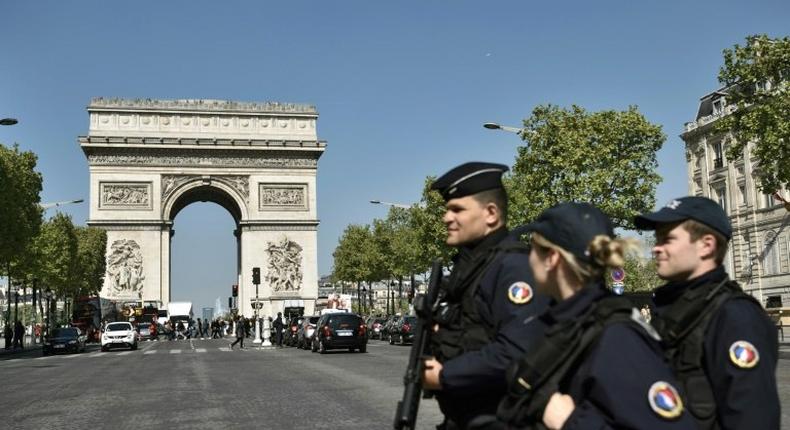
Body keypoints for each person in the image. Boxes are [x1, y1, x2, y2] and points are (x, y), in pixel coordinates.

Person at [495, 202, 696, 429]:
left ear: (552, 258)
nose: (527, 258)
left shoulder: (616, 336)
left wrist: (570, 422)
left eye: (533, 249)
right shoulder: (562, 320)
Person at [420, 162, 550, 429]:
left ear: (491, 213)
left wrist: (445, 375)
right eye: (447, 209)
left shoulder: (514, 267)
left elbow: (518, 350)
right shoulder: (470, 268)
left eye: (457, 209)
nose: (446, 218)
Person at [634, 196, 779, 428]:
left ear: (706, 245)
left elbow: (752, 417)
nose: (656, 249)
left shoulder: (735, 316)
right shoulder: (674, 306)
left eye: (667, 239)